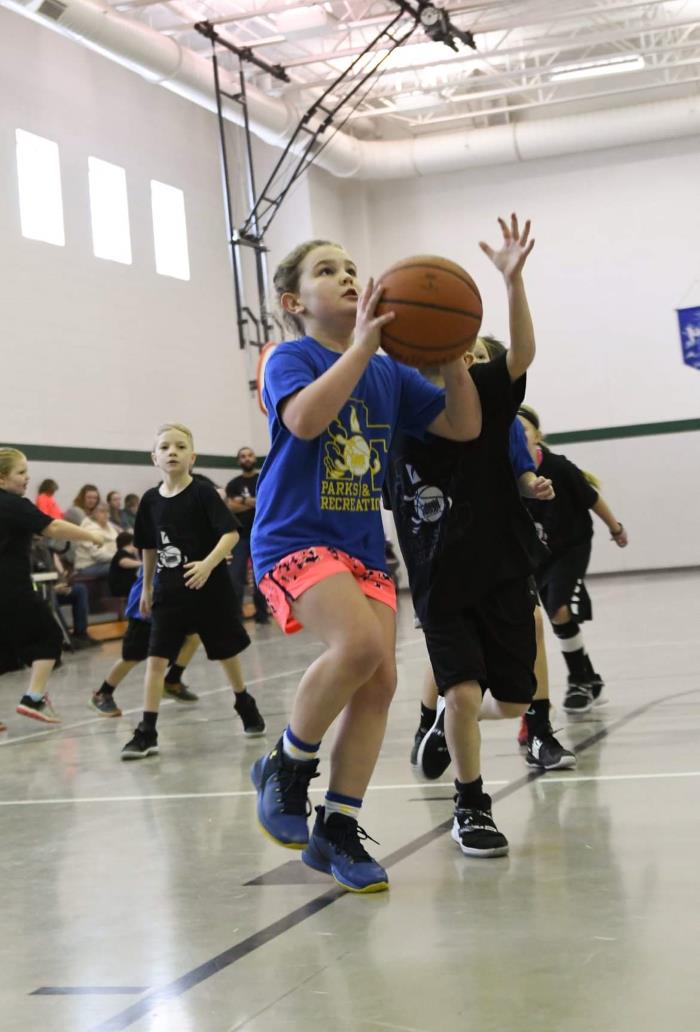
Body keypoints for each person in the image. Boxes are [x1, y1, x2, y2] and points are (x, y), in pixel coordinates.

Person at [249, 238, 481, 893]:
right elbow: (304, 421)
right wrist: (361, 348)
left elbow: (460, 429)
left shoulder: (391, 372)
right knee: (355, 646)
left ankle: (336, 830)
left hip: (358, 547)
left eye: (352, 268)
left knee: (378, 684)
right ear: (295, 303)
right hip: (292, 535)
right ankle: (287, 764)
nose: (347, 277)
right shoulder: (287, 357)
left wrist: (452, 358)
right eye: (328, 272)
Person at [386, 214, 564, 859]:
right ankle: (471, 803)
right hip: (439, 575)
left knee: (513, 699)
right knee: (462, 689)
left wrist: (512, 283)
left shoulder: (489, 391)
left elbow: (521, 354)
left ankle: (442, 722)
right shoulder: (394, 397)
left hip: (504, 565)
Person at [411, 335, 575, 776]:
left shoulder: (503, 421)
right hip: (442, 561)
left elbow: (522, 470)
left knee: (531, 627)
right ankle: (435, 721)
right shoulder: (418, 419)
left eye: (485, 360)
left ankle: (530, 723)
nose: (478, 366)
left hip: (501, 550)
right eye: (474, 358)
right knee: (453, 665)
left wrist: (531, 484)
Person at [120, 423, 265, 759]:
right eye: (166, 447)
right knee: (156, 660)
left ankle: (243, 701)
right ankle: (147, 731)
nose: (173, 452)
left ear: (193, 456)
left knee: (225, 653)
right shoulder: (151, 501)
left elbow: (230, 534)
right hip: (168, 594)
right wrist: (146, 586)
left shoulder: (202, 493)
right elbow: (149, 547)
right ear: (154, 457)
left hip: (208, 589)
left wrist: (207, 564)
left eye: (181, 447)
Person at [518, 405, 629, 714]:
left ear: (537, 436)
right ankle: (589, 678)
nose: (517, 434)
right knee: (555, 617)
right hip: (539, 554)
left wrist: (616, 528)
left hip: (571, 546)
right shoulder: (509, 472)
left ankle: (579, 680)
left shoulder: (559, 467)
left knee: (559, 609)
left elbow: (592, 498)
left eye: (523, 428)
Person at [0, 448, 105, 724]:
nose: (27, 478)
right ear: (1, 478)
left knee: (4, 653)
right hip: (12, 590)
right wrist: (91, 536)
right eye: (21, 473)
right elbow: (54, 528)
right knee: (49, 637)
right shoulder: (13, 504)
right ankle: (34, 699)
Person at [91, 566, 200, 717]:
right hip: (146, 607)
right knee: (133, 656)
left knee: (193, 636)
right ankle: (103, 693)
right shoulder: (157, 547)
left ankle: (172, 681)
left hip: (174, 602)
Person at [225, 447, 269, 624]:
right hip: (240, 537)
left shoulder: (264, 478)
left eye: (250, 455)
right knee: (235, 577)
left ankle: (262, 615)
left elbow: (268, 503)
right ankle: (236, 618)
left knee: (261, 577)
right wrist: (252, 502)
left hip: (262, 536)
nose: (247, 458)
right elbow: (230, 506)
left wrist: (241, 501)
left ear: (254, 458)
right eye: (243, 456)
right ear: (238, 461)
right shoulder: (234, 484)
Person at [30, 537, 97, 651]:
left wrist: (63, 584)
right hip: (38, 593)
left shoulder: (46, 550)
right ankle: (65, 638)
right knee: (51, 598)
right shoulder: (23, 554)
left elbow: (55, 573)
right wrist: (52, 588)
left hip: (54, 589)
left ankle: (81, 634)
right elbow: (28, 582)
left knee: (80, 590)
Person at [74, 502, 119, 576]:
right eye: (102, 511)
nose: (106, 514)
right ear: (93, 514)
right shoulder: (89, 529)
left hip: (107, 561)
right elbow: (98, 555)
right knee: (121, 567)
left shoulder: (109, 526)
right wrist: (120, 557)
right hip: (88, 565)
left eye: (107, 511)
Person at [108, 531, 142, 598]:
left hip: (129, 585)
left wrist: (136, 554)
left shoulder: (129, 554)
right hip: (121, 588)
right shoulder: (121, 554)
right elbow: (123, 562)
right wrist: (144, 564)